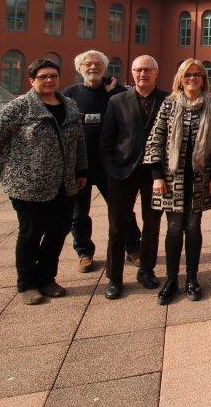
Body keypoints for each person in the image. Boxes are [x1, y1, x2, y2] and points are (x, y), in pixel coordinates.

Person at [0, 58, 88, 305]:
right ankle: (27, 284)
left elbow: (78, 142)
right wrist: (6, 170)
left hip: (64, 183)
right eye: (43, 77)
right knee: (30, 233)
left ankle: (47, 278)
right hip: (29, 186)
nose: (49, 80)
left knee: (58, 231)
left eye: (53, 76)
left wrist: (81, 170)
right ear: (32, 81)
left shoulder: (69, 105)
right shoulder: (20, 107)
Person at [144, 58, 211, 304]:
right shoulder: (169, 104)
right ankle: (172, 279)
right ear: (180, 79)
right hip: (172, 179)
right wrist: (157, 176)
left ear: (203, 79)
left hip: (201, 179)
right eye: (187, 75)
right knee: (173, 229)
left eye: (197, 74)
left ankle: (192, 278)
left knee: (193, 228)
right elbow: (156, 140)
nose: (192, 78)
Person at [100, 55, 168, 299]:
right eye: (138, 70)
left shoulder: (168, 100)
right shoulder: (117, 101)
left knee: (152, 225)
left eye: (148, 70)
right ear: (132, 73)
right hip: (122, 172)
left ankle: (146, 270)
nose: (143, 74)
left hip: (156, 173)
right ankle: (114, 278)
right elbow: (107, 138)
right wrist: (110, 166)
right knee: (117, 227)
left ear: (156, 73)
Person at [63, 50, 136, 273]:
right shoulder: (69, 96)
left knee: (121, 208)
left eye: (98, 64)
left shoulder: (115, 92)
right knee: (78, 212)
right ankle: (84, 251)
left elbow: (135, 107)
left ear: (105, 69)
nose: (93, 67)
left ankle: (133, 247)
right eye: (88, 64)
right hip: (79, 165)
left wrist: (118, 90)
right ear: (79, 68)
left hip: (109, 163)